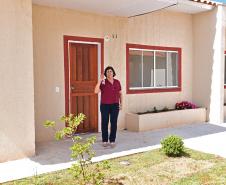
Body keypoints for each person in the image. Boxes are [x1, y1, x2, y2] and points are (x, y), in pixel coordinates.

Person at [94, 66, 122, 147]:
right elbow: (96, 91)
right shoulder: (103, 82)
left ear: (113, 72)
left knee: (114, 123)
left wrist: (121, 104)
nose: (109, 73)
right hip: (105, 105)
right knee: (104, 123)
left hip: (115, 105)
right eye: (107, 72)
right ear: (106, 74)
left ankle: (112, 140)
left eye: (110, 71)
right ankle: (105, 140)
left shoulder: (117, 82)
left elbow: (120, 94)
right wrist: (100, 80)